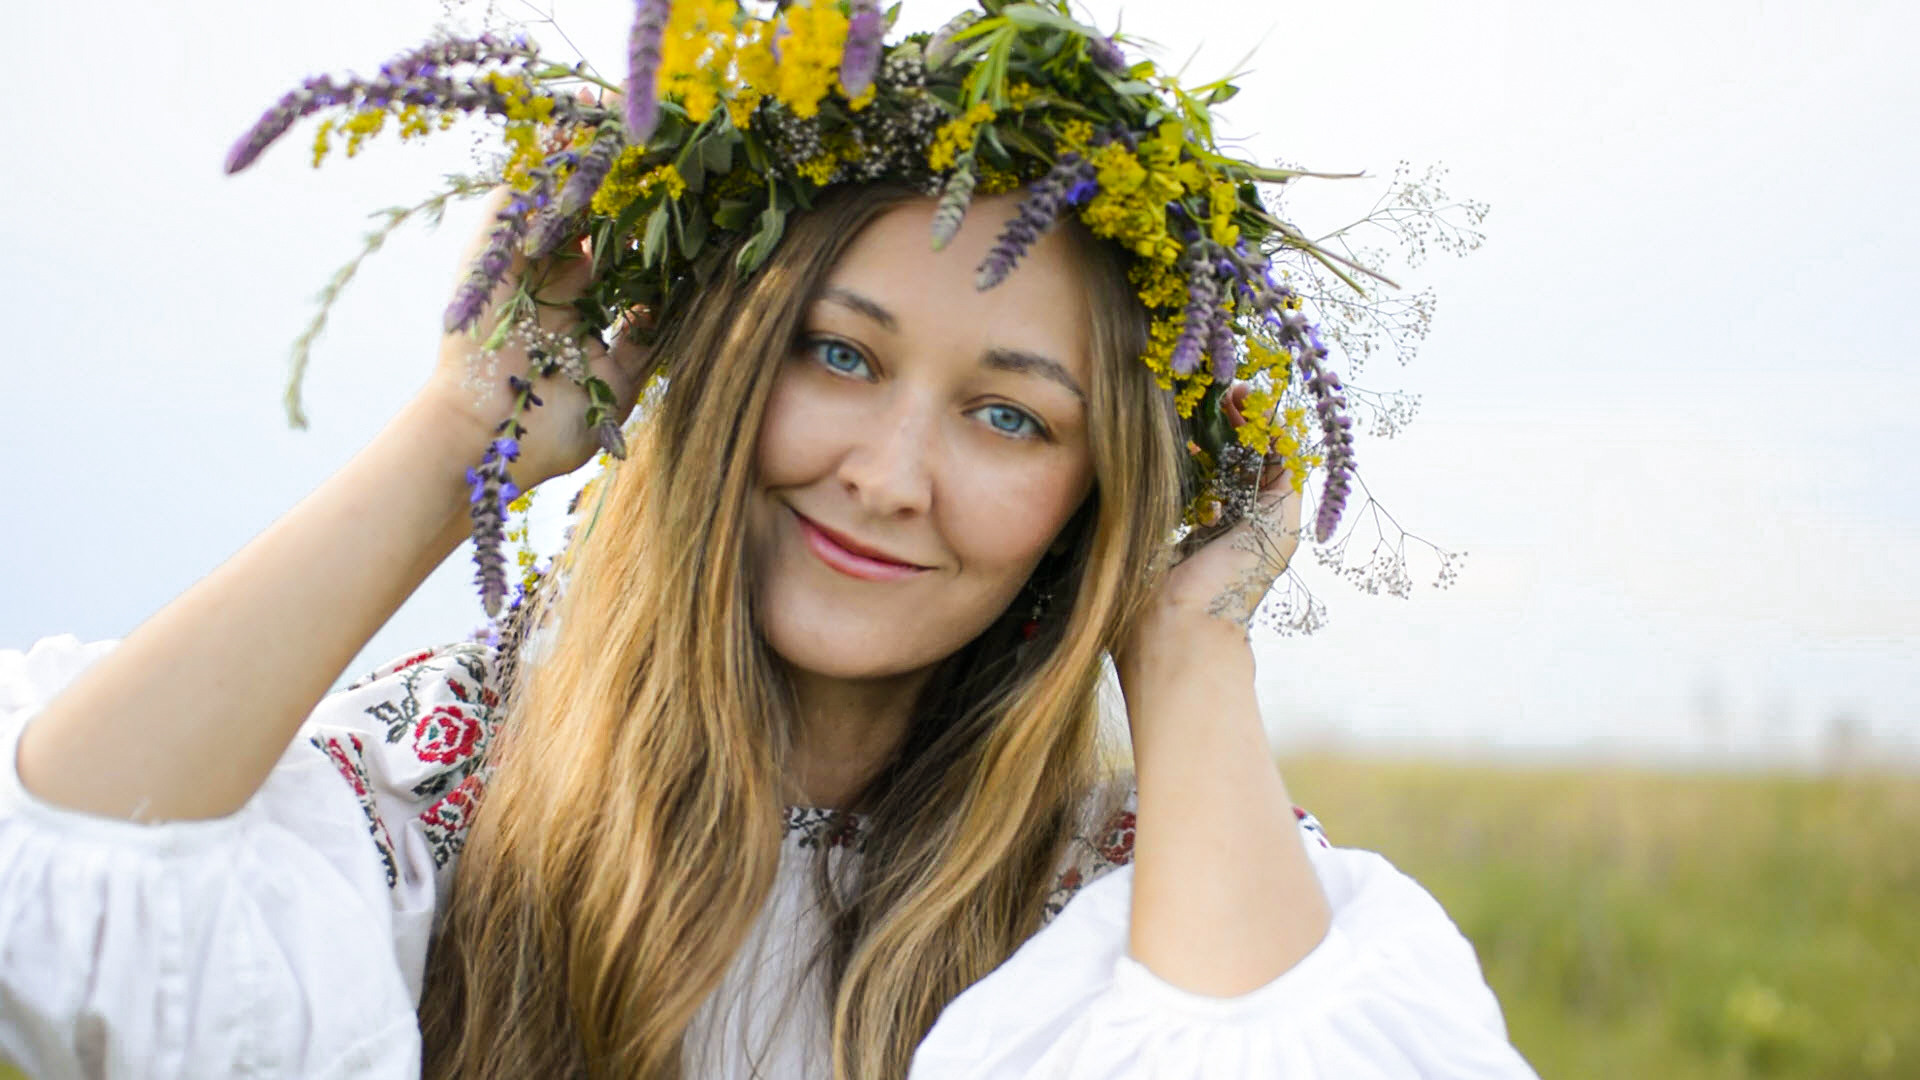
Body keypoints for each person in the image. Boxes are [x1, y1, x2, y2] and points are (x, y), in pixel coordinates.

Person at [0, 8, 1540, 1080]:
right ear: (724, 357)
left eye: (1013, 419)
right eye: (840, 356)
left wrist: (1190, 642)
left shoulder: (1125, 895)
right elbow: (68, 880)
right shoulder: (471, 780)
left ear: (1098, 490)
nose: (887, 476)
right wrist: (463, 426)